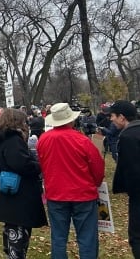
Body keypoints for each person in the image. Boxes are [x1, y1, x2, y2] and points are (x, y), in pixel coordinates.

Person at [38, 102, 104, 259]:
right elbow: (97, 167)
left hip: (55, 193)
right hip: (83, 194)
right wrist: (96, 183)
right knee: (87, 238)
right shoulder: (81, 140)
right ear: (71, 120)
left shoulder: (44, 139)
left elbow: (42, 165)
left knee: (59, 238)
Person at [0, 108, 47, 259]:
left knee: (13, 234)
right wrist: (37, 165)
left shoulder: (2, 140)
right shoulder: (14, 141)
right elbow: (22, 164)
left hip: (8, 195)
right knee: (19, 237)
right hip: (19, 197)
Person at [109, 100, 140, 257]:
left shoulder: (128, 136)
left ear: (122, 117)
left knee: (137, 237)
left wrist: (127, 188)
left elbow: (132, 169)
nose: (111, 119)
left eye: (113, 116)